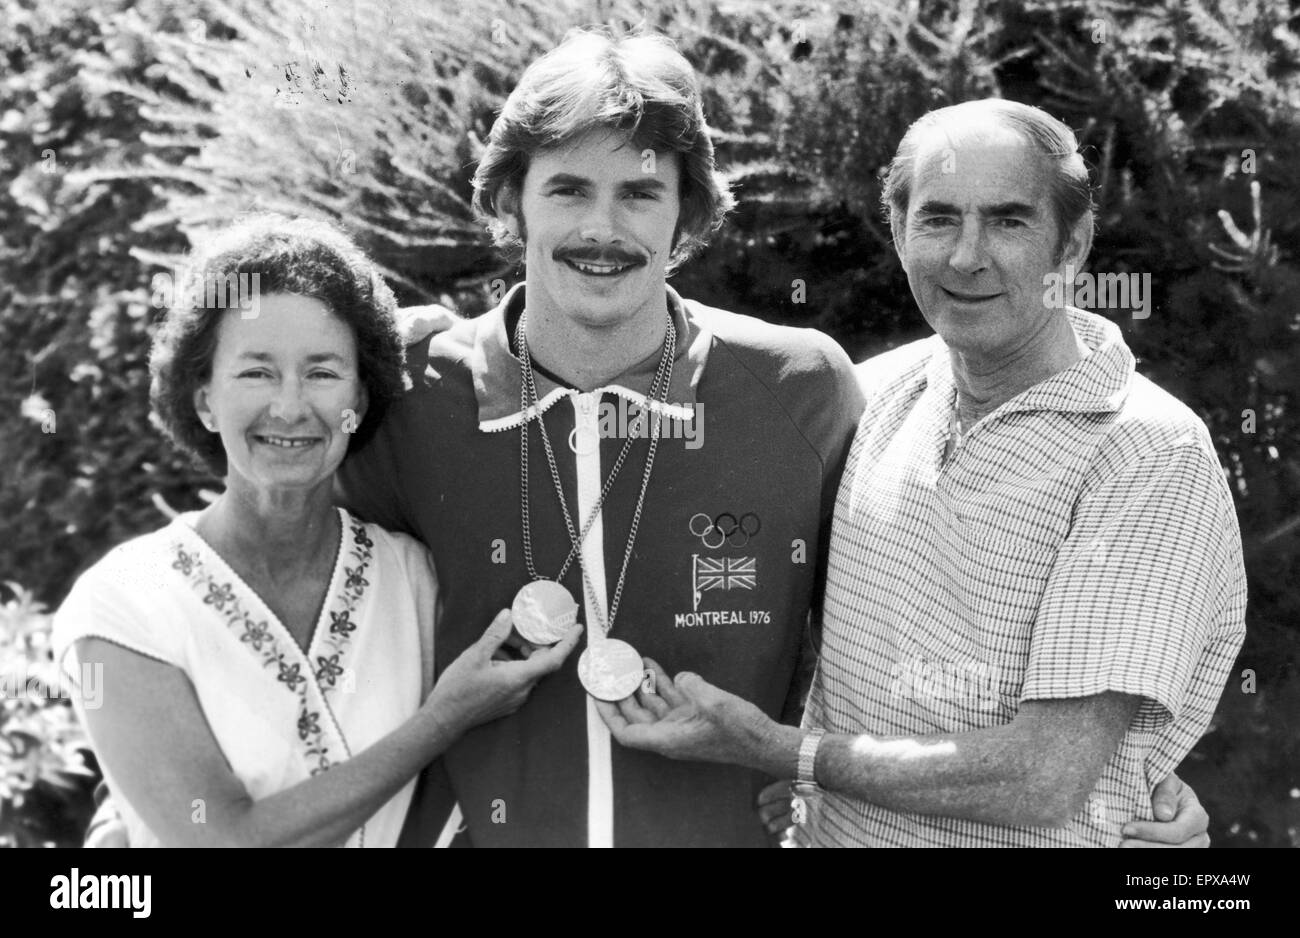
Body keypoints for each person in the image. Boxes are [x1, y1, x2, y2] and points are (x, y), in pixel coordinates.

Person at [339, 34, 1208, 847]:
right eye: (568, 189)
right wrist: (355, 345)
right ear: (508, 202)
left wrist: (1138, 783)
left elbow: (942, 645)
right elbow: (277, 564)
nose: (602, 229)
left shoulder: (805, 390)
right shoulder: (409, 398)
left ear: (686, 219)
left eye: (641, 192)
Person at [596, 98, 1247, 848]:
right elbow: (785, 599)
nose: (967, 256)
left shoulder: (1147, 457)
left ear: (1073, 245)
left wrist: (783, 753)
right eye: (938, 219)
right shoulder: (868, 394)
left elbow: (1041, 778)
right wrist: (802, 766)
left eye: (1008, 221)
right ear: (899, 233)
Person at [52, 217, 580, 847]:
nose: (291, 407)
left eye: (323, 373)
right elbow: (220, 841)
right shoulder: (123, 603)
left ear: (362, 397)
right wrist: (445, 718)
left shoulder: (416, 575)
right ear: (203, 400)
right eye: (256, 372)